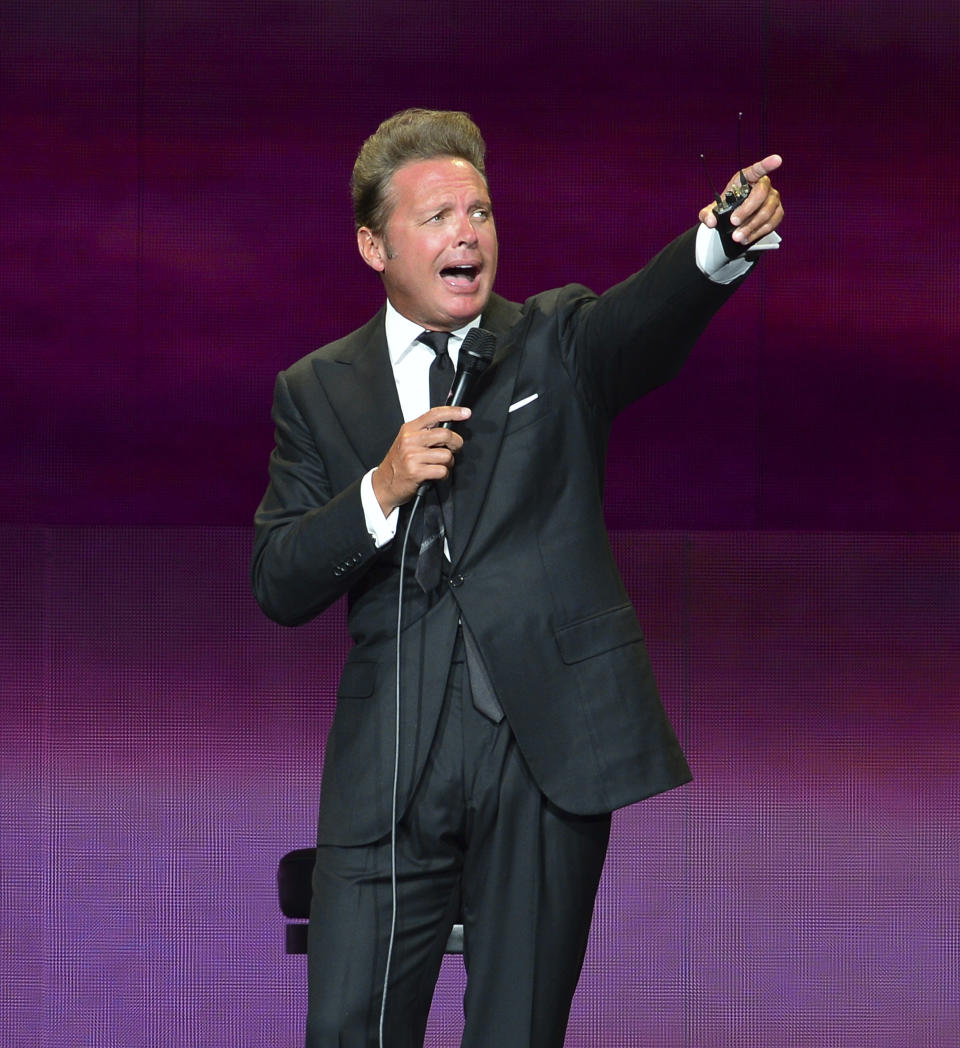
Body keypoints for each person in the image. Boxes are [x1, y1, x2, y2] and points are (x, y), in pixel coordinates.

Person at [252, 108, 783, 1048]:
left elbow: (641, 322)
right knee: (347, 1029)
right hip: (392, 765)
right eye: (438, 216)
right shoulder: (317, 388)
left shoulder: (554, 340)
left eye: (481, 212)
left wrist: (717, 244)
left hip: (542, 756)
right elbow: (279, 579)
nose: (467, 233)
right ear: (375, 245)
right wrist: (378, 488)